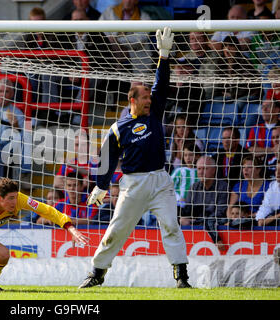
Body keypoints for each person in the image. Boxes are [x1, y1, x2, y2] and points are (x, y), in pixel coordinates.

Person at [79, 28, 191, 289]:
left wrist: (164, 56)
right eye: (144, 98)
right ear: (132, 100)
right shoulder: (119, 128)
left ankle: (182, 277)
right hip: (134, 185)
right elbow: (107, 158)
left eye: (150, 98)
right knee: (116, 230)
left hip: (160, 181)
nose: (149, 100)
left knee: (171, 227)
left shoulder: (155, 112)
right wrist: (101, 186)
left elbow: (161, 84)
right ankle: (96, 273)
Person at [0, 177, 88, 290]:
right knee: (2, 254)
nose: (15, 202)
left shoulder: (20, 199)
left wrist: (70, 227)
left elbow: (46, 210)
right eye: (11, 198)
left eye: (16, 197)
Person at [181, 156, 229, 251]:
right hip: (198, 221)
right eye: (199, 169)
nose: (201, 172)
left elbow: (221, 212)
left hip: (215, 223)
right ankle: (187, 246)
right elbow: (188, 211)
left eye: (205, 168)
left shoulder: (223, 187)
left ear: (213, 170)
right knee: (183, 220)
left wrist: (203, 217)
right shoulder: (194, 187)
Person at [99, 0, 154, 74]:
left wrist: (117, 41)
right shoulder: (110, 11)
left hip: (134, 53)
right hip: (111, 50)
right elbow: (100, 29)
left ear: (136, 1)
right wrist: (112, 41)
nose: (128, 1)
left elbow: (140, 39)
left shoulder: (144, 17)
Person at [226, 155, 271, 219]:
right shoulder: (239, 186)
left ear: (258, 170)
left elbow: (269, 209)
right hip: (238, 222)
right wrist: (232, 219)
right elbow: (230, 208)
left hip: (259, 221)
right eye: (243, 167)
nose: (245, 170)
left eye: (249, 167)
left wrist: (248, 217)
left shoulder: (268, 187)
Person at [212, 126, 250, 191]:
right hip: (220, 190)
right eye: (224, 138)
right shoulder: (217, 157)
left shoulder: (246, 156)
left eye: (229, 138)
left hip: (239, 190)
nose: (226, 141)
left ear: (237, 140)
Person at [170, 141, 200, 210]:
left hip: (196, 204)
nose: (188, 158)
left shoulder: (200, 171)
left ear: (197, 156)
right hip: (180, 204)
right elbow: (169, 187)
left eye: (191, 155)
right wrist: (178, 198)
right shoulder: (179, 171)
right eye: (185, 155)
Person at [255, 161, 280, 227]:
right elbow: (265, 206)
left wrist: (275, 216)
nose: (278, 173)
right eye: (277, 170)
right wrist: (260, 218)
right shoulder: (273, 186)